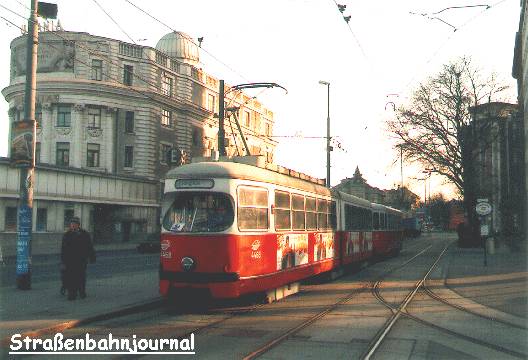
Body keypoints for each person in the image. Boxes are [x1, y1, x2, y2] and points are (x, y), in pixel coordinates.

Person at [61, 216, 96, 300]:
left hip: (81, 260)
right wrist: (63, 261)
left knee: (81, 276)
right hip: (70, 260)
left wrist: (92, 257)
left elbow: (89, 246)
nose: (73, 225)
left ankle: (82, 291)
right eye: (71, 224)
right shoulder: (67, 234)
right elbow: (63, 249)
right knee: (71, 277)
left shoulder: (84, 234)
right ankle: (72, 294)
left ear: (78, 225)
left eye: (74, 224)